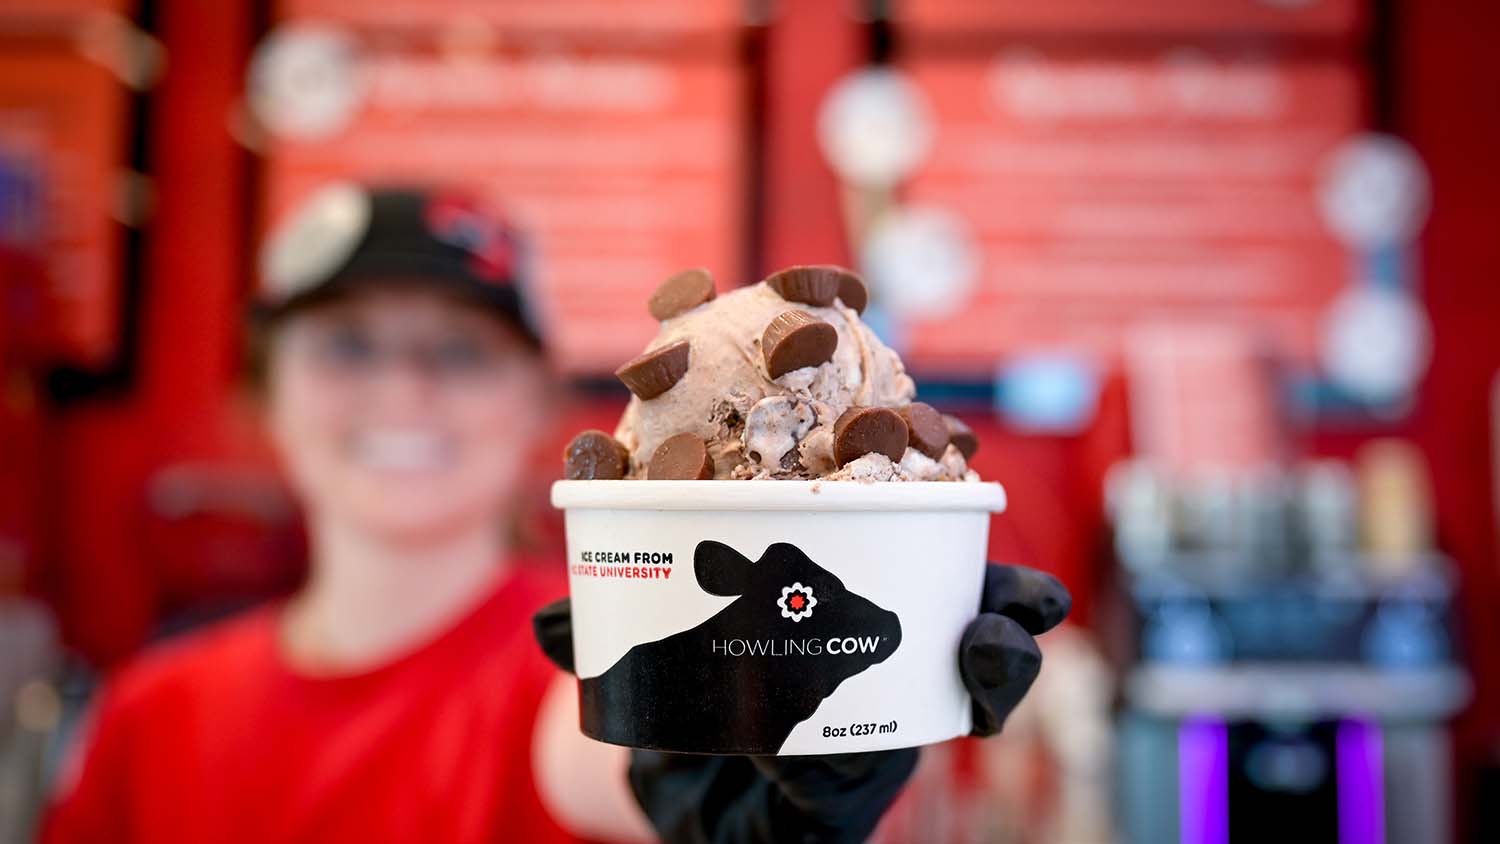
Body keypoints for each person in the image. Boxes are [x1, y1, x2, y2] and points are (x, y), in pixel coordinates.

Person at [42, 183, 1070, 844]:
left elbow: (616, 756)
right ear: (263, 394)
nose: (404, 390)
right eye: (348, 344)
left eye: (458, 350)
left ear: (539, 403)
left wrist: (753, 764)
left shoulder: (589, 656)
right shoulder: (146, 717)